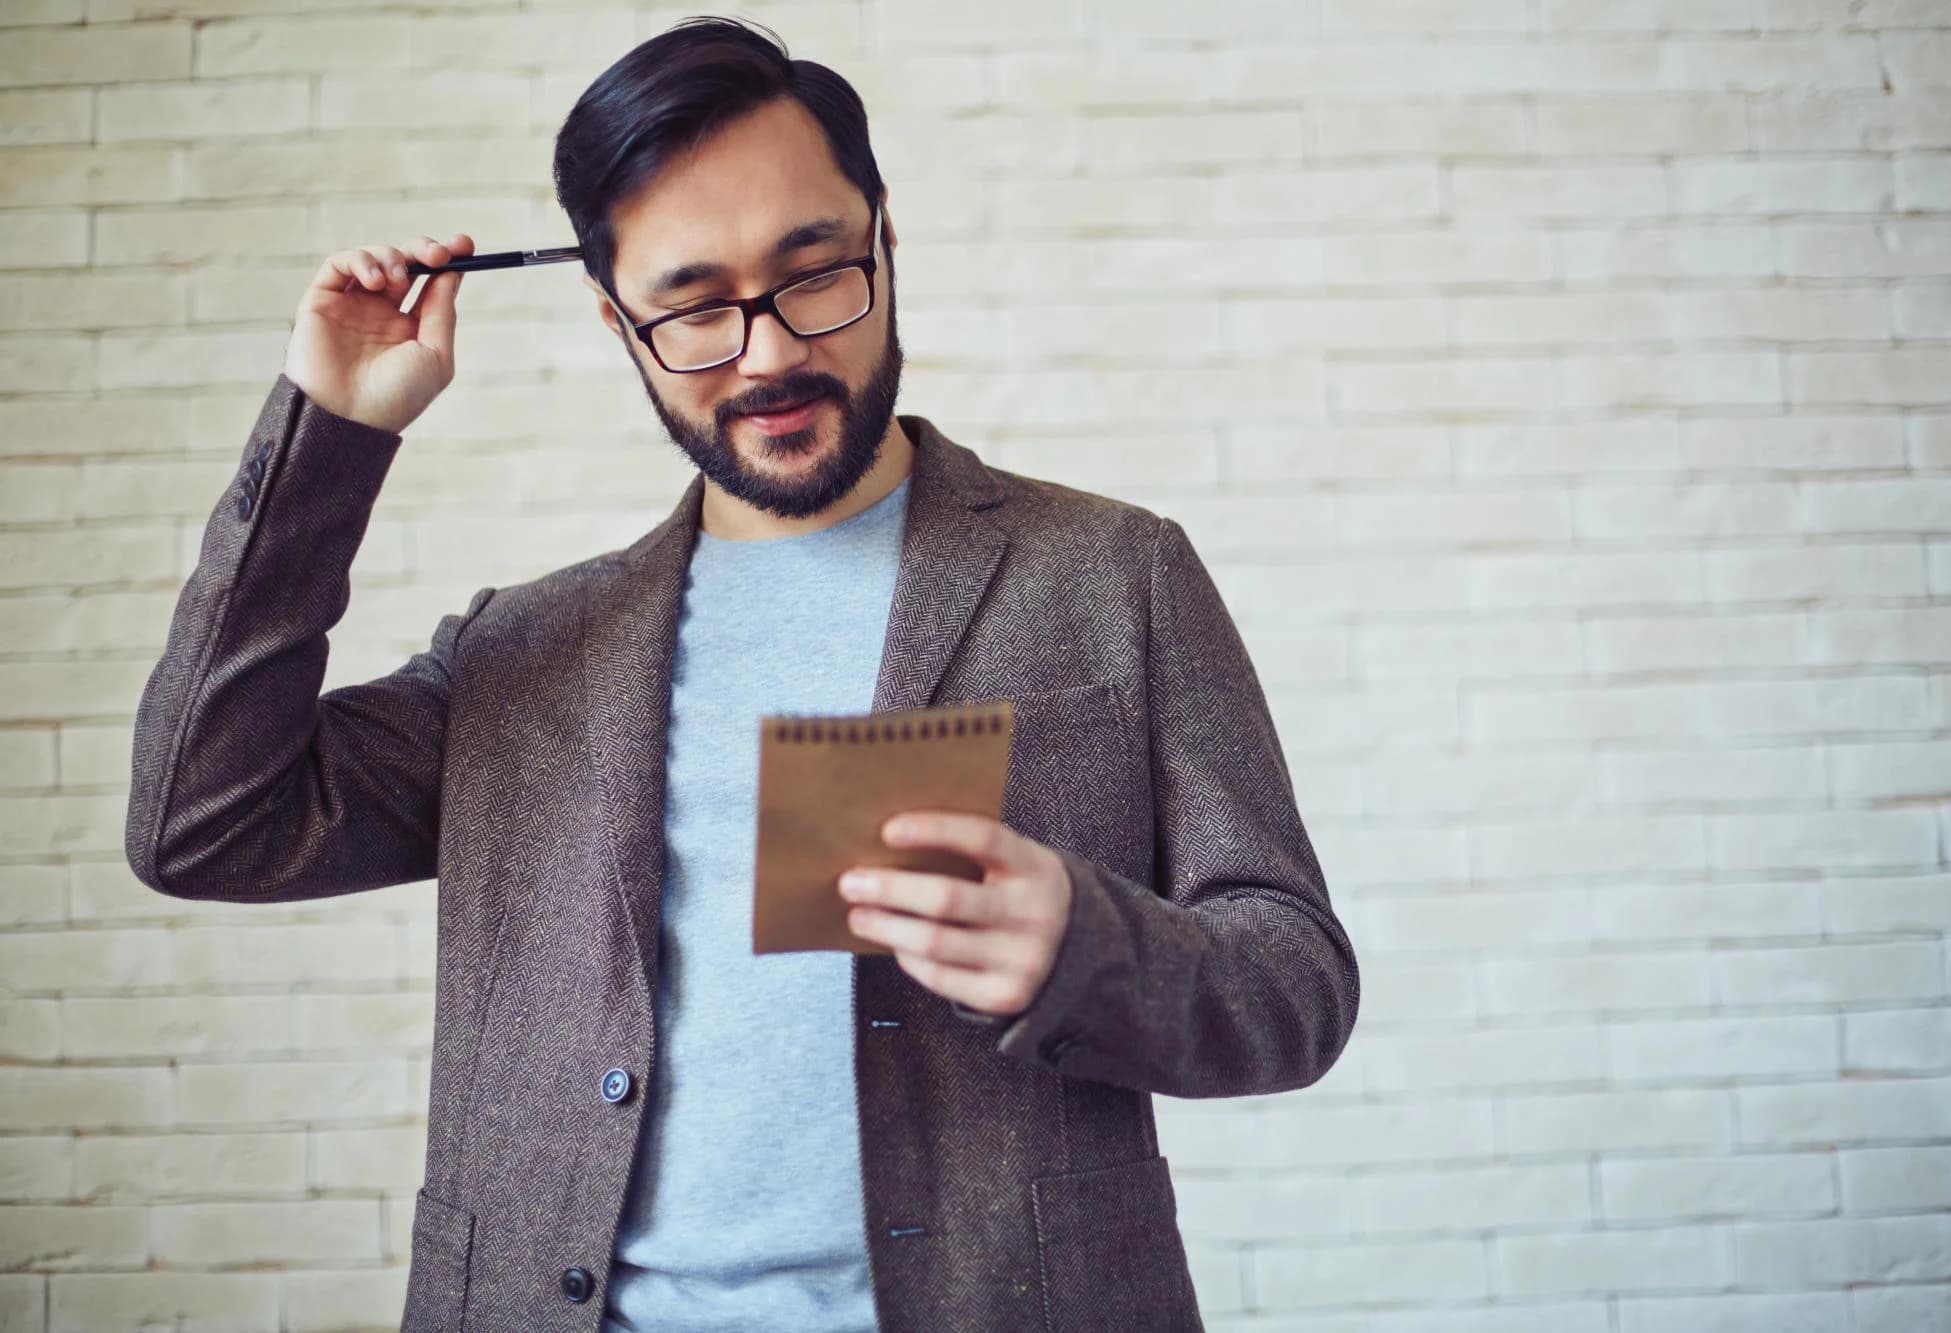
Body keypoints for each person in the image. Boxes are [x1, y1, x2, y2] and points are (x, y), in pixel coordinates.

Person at [124, 16, 1359, 1333]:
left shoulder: (1114, 574)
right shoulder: (522, 657)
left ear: (885, 242)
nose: (767, 352)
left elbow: (1293, 984)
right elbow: (205, 820)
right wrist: (331, 434)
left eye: (814, 274)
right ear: (617, 320)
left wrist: (1085, 944)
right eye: (696, 308)